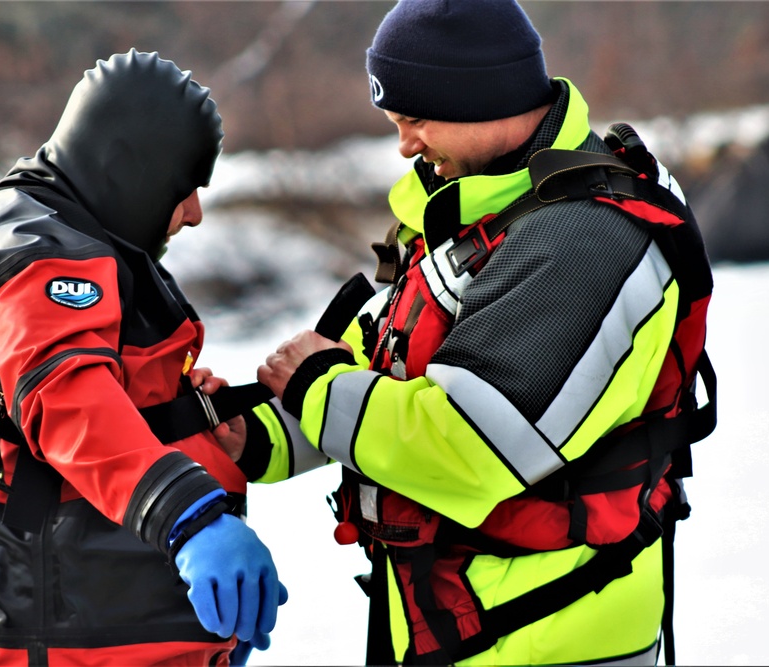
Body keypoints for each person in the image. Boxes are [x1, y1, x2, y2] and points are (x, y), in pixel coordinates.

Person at [249, 1, 717, 665]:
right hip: (471, 620)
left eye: (414, 119)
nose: (405, 144)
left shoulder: (577, 240)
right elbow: (390, 361)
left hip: (551, 636)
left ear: (476, 96)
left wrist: (316, 387)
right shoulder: (493, 201)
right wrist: (263, 431)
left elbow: (468, 445)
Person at [0, 50, 287, 666]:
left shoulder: (85, 240)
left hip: (118, 632)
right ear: (130, 167)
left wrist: (185, 409)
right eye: (184, 187)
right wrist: (191, 519)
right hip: (55, 642)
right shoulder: (33, 250)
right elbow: (68, 399)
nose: (194, 213)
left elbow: (107, 397)